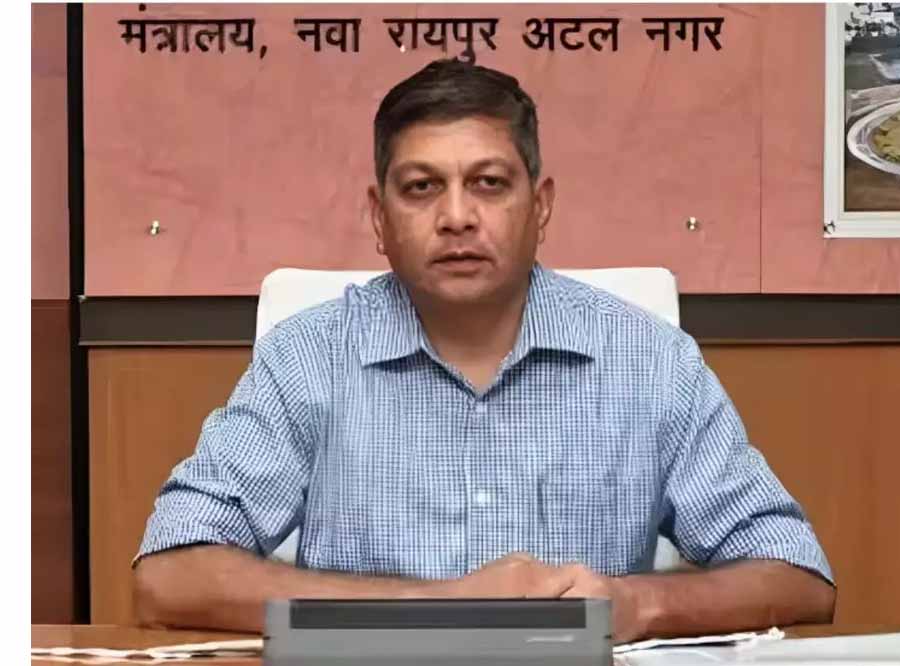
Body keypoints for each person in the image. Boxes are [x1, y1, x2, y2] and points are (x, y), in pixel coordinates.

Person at [133, 58, 835, 642]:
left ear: (541, 206)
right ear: (379, 217)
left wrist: (639, 605)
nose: (457, 216)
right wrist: (445, 606)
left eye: (489, 184)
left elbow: (798, 576)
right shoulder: (308, 358)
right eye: (422, 188)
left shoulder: (649, 360)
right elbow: (169, 576)